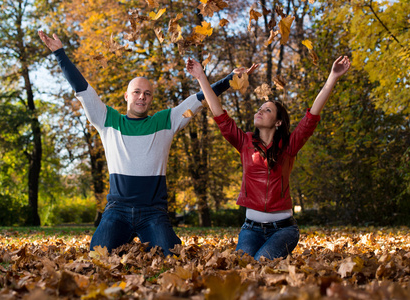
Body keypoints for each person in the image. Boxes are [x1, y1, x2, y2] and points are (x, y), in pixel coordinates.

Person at [38, 31, 256, 255]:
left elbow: (200, 98)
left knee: (173, 256)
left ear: (151, 99)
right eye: (137, 92)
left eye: (147, 94)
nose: (142, 97)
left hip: (153, 212)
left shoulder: (166, 120)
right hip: (117, 210)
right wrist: (60, 53)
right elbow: (82, 88)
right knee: (98, 255)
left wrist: (231, 79)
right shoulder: (107, 120)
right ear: (126, 96)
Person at [187, 56, 351, 260]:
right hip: (250, 229)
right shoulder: (244, 142)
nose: (260, 111)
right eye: (260, 108)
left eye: (267, 110)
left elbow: (311, 117)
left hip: (283, 230)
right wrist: (201, 77)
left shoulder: (289, 146)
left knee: (260, 265)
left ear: (279, 122)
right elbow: (219, 114)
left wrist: (332, 77)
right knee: (242, 267)